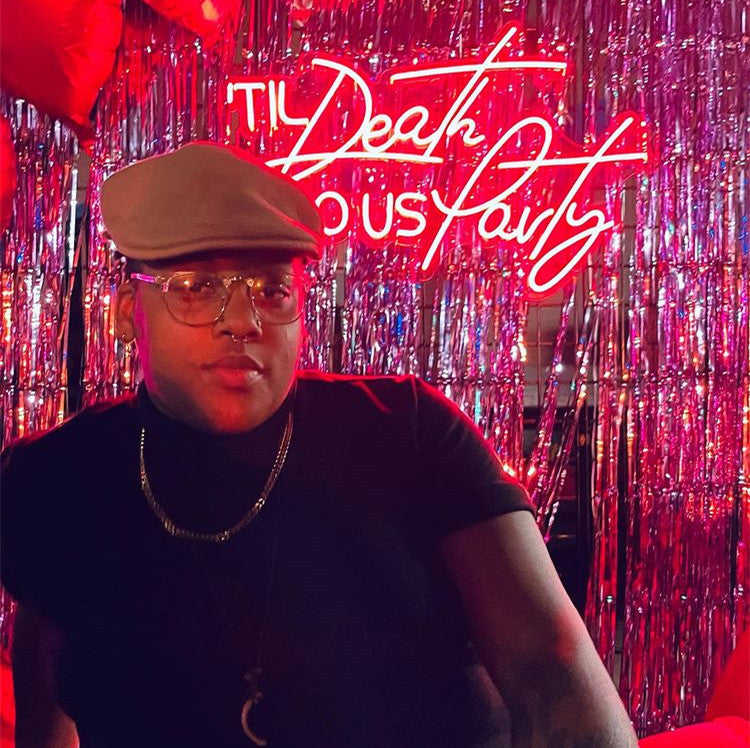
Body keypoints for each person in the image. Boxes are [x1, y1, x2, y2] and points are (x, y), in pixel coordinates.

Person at [1, 143, 638, 747]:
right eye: (196, 287)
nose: (242, 320)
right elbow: (44, 691)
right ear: (124, 312)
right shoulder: (52, 478)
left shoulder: (407, 431)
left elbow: (551, 670)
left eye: (272, 290)